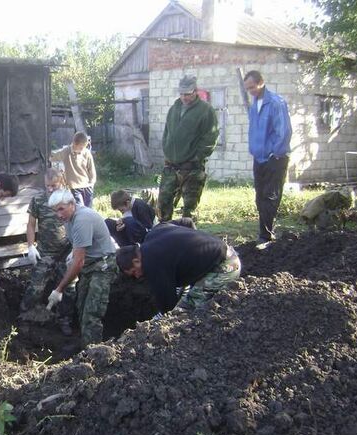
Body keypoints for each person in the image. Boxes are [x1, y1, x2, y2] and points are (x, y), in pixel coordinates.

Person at [116, 224, 241, 317]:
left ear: (136, 261)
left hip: (225, 266)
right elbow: (184, 222)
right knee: (184, 295)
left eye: (134, 272)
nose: (137, 276)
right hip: (223, 252)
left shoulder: (151, 263)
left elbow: (168, 306)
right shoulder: (153, 234)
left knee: (184, 311)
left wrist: (156, 324)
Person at [47, 189, 116, 346]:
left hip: (102, 265)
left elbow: (79, 263)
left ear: (72, 204)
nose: (58, 214)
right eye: (55, 211)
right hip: (90, 264)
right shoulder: (68, 218)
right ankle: (85, 343)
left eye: (61, 209)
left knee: (92, 312)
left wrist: (59, 289)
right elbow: (78, 249)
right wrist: (73, 253)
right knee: (81, 305)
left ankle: (93, 354)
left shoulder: (82, 219)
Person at [20, 168, 75, 335]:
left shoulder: (68, 199)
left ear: (62, 183)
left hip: (66, 252)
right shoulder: (38, 200)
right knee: (35, 287)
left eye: (54, 186)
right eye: (47, 186)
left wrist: (75, 249)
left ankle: (65, 320)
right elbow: (31, 224)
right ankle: (24, 317)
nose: (50, 189)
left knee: (69, 289)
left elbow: (75, 222)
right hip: (45, 252)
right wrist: (31, 246)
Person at [158, 75, 219, 222]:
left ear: (195, 91)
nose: (184, 97)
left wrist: (197, 157)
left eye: (187, 93)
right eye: (181, 93)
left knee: (189, 209)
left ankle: (190, 239)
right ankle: (165, 236)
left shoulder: (206, 110)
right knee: (163, 204)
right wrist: (166, 149)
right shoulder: (174, 108)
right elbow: (167, 131)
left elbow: (211, 136)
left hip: (192, 167)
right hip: (171, 165)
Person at [243, 70, 293, 249]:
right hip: (259, 158)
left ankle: (266, 236)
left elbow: (284, 131)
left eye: (252, 87)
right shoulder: (255, 103)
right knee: (260, 197)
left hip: (275, 158)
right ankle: (263, 233)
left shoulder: (275, 103)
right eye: (247, 88)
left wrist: (276, 153)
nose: (250, 91)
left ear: (261, 82)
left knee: (270, 196)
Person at [106, 189, 196, 246]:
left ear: (127, 202)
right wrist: (121, 223)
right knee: (109, 222)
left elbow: (147, 227)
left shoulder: (140, 207)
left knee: (129, 222)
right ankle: (127, 248)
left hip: (151, 233)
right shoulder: (129, 207)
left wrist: (127, 223)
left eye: (121, 210)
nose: (122, 212)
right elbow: (127, 217)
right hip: (137, 231)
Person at [50, 131, 96, 207]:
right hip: (74, 187)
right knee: (79, 208)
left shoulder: (87, 153)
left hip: (87, 186)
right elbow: (54, 156)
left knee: (89, 209)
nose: (83, 149)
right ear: (74, 143)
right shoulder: (66, 151)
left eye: (84, 147)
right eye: (81, 147)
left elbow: (91, 170)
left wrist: (92, 183)